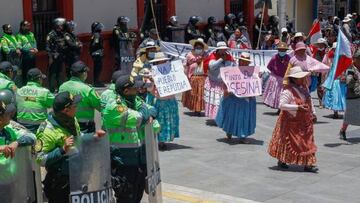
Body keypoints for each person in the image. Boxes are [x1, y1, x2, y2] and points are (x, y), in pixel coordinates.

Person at [36, 91, 104, 203]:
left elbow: (79, 137)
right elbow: (40, 159)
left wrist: (93, 136)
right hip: (59, 182)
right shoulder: (46, 130)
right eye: (75, 106)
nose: (77, 108)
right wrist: (62, 149)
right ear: (66, 110)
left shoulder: (72, 120)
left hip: (76, 176)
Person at [102, 75, 159, 202]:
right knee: (126, 197)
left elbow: (153, 113)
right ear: (126, 91)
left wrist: (150, 114)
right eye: (135, 89)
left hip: (138, 159)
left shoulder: (134, 101)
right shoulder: (115, 107)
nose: (138, 91)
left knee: (137, 196)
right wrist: (145, 111)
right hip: (122, 161)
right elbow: (141, 117)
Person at [268, 66, 318, 173]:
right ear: (294, 79)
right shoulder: (288, 91)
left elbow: (310, 100)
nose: (303, 79)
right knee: (288, 142)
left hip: (304, 121)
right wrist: (297, 107)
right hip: (291, 121)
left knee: (307, 141)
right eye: (300, 77)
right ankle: (282, 160)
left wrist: (313, 113)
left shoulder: (304, 89)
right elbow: (282, 105)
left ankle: (308, 163)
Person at [215, 52, 256, 143]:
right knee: (231, 115)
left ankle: (243, 136)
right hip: (232, 97)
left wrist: (257, 80)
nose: (244, 63)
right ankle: (229, 130)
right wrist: (227, 88)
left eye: (246, 62)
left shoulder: (252, 72)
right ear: (239, 61)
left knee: (244, 117)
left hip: (246, 99)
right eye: (242, 61)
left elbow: (255, 85)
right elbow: (222, 79)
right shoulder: (232, 71)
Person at [147, 52, 179, 150]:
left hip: (171, 101)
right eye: (159, 61)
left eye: (164, 61)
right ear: (156, 63)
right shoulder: (151, 73)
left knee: (169, 121)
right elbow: (149, 89)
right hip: (160, 102)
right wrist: (151, 81)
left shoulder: (172, 70)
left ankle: (164, 139)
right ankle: (160, 141)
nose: (162, 62)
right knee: (161, 121)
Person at [59, 61, 101, 133]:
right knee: (86, 144)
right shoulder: (87, 89)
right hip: (85, 127)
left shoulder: (62, 87)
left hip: (67, 125)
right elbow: (100, 106)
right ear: (84, 73)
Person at [203, 41, 235, 120]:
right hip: (214, 83)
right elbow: (211, 67)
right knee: (216, 102)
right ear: (218, 49)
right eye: (221, 49)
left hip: (224, 83)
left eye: (224, 49)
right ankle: (217, 117)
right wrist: (221, 60)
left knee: (223, 101)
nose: (223, 51)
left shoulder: (229, 57)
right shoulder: (213, 56)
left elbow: (234, 66)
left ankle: (222, 117)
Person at [17, 68, 54, 133]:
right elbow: (56, 104)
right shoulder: (44, 92)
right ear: (39, 79)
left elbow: (28, 98)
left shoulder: (19, 90)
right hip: (38, 126)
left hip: (21, 125)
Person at [182, 38, 208, 116]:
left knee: (201, 94)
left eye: (200, 47)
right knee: (193, 94)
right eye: (197, 47)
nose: (198, 49)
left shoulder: (206, 55)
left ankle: (198, 109)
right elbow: (185, 65)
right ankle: (194, 108)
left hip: (203, 77)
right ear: (194, 47)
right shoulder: (189, 55)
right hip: (193, 77)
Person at [339, 50, 360, 140]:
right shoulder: (351, 69)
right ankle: (342, 130)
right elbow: (348, 82)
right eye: (359, 58)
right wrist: (354, 78)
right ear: (355, 59)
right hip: (353, 95)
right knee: (349, 116)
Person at [263, 42, 291, 111]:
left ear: (286, 51)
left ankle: (281, 108)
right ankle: (278, 107)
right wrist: (274, 73)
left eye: (283, 50)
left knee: (283, 94)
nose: (282, 51)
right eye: (281, 50)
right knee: (276, 94)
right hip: (276, 78)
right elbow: (269, 67)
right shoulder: (274, 58)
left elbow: (291, 67)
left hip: (285, 78)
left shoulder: (288, 58)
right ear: (278, 50)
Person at [322, 42, 346, 119]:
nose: (336, 50)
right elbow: (327, 68)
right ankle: (335, 112)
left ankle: (338, 111)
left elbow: (344, 68)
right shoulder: (330, 57)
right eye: (335, 49)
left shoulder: (342, 57)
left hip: (340, 79)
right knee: (334, 95)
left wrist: (343, 75)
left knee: (340, 95)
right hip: (333, 79)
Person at [46, 18, 66, 92]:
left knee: (59, 73)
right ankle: (51, 89)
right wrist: (50, 57)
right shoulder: (51, 35)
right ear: (56, 25)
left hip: (60, 57)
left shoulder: (61, 34)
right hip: (53, 57)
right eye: (60, 25)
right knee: (53, 73)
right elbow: (47, 47)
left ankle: (59, 88)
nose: (61, 27)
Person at [16, 20, 38, 85]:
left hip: (32, 56)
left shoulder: (31, 34)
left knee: (33, 71)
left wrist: (35, 48)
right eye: (27, 26)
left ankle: (34, 85)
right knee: (26, 73)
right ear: (22, 27)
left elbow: (34, 42)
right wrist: (28, 51)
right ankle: (26, 86)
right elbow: (19, 46)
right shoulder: (19, 36)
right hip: (25, 57)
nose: (28, 27)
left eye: (29, 26)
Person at [311, 38, 328, 108]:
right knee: (319, 87)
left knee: (326, 86)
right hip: (318, 72)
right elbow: (313, 61)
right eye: (319, 45)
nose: (320, 46)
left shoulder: (328, 52)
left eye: (321, 45)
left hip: (326, 72)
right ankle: (320, 102)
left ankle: (325, 101)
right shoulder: (315, 52)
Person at [90, 22, 105, 87]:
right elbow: (95, 44)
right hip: (97, 54)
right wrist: (98, 51)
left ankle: (96, 81)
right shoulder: (97, 35)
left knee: (97, 68)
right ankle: (96, 82)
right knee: (98, 68)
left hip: (96, 53)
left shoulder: (95, 34)